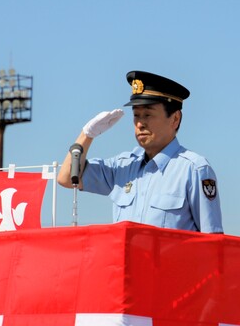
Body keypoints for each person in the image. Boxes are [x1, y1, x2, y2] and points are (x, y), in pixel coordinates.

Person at [57, 70, 223, 233]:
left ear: (175, 119)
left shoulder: (194, 170)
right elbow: (66, 178)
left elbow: (212, 242)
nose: (140, 123)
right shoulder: (122, 166)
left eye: (148, 115)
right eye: (136, 115)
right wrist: (87, 134)